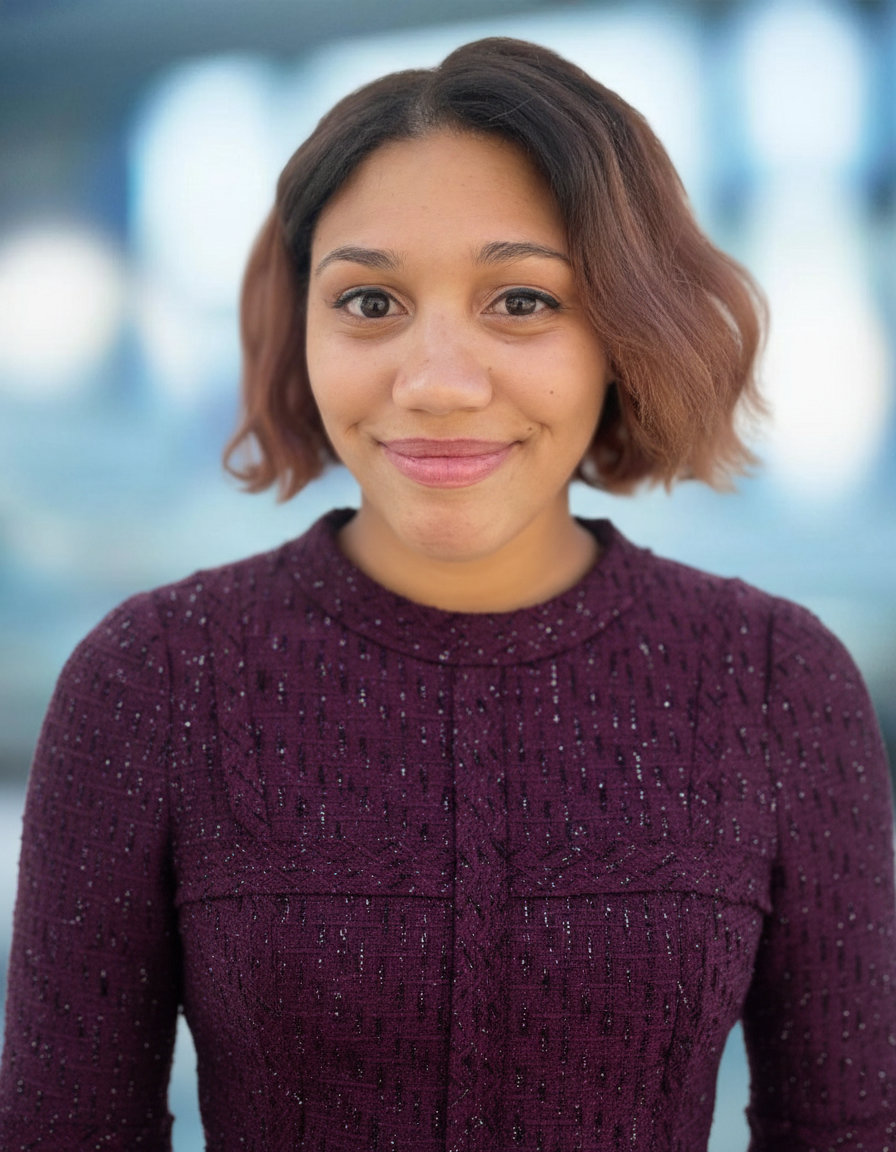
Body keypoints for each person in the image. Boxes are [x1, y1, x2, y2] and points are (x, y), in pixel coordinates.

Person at [1, 35, 893, 1152]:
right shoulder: (154, 676)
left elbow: (848, 1129)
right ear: (300, 329)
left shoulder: (772, 678)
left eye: (519, 301)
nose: (434, 383)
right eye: (369, 303)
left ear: (627, 326)